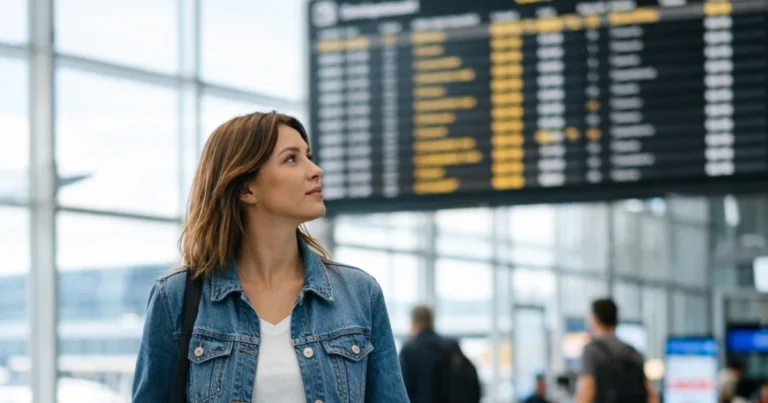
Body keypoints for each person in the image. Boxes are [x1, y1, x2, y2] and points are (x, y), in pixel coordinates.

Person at [131, 111, 409, 402]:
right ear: (247, 189)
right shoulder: (176, 297)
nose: (316, 169)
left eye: (308, 155)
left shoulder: (359, 292)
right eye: (291, 158)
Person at [575, 298, 658, 403]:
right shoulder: (633, 352)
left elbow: (586, 390)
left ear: (593, 319)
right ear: (616, 319)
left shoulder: (591, 351)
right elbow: (651, 395)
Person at [399, 305, 481, 403]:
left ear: (413, 323)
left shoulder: (409, 350)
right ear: (431, 322)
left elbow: (402, 390)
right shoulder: (451, 347)